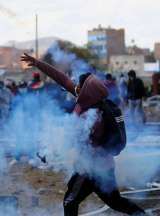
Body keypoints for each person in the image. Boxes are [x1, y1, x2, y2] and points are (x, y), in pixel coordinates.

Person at [21, 53, 146, 216]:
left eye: (79, 86)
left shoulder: (93, 116)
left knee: (70, 201)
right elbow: (62, 79)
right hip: (105, 167)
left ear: (87, 91)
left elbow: (75, 140)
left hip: (89, 169)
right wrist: (38, 63)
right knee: (115, 201)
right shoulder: (90, 100)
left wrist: (49, 153)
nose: (75, 88)